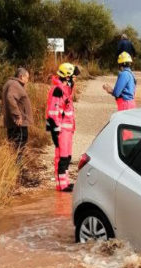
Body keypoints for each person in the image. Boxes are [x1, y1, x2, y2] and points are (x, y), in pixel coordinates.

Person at [46, 62, 80, 192]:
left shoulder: (65, 89)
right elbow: (54, 113)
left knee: (67, 156)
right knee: (62, 157)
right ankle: (62, 185)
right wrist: (56, 131)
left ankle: (64, 183)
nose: (75, 78)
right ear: (67, 77)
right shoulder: (58, 90)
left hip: (67, 129)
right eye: (73, 76)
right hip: (61, 130)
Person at [2, 68, 31, 150]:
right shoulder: (15, 84)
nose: (27, 80)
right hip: (19, 123)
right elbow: (10, 98)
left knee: (13, 145)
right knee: (19, 145)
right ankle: (18, 162)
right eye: (27, 78)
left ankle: (13, 162)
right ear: (21, 76)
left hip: (13, 122)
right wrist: (17, 115)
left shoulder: (10, 83)